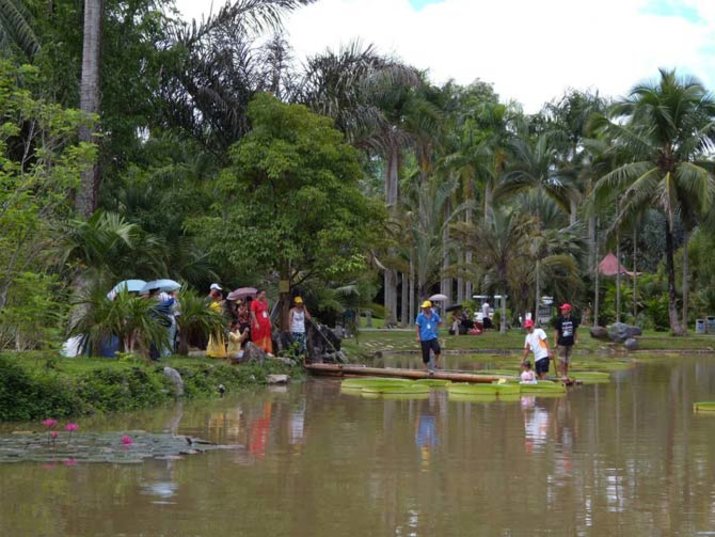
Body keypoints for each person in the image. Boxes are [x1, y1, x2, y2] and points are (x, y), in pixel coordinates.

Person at [553, 303, 579, 379]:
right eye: (562, 309)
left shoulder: (573, 319)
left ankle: (566, 374)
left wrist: (576, 339)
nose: (562, 310)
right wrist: (555, 342)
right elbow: (556, 332)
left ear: (568, 310)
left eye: (564, 309)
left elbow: (575, 331)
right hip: (561, 342)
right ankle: (562, 375)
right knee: (561, 359)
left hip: (570, 342)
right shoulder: (559, 320)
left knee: (568, 359)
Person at [415, 300, 442, 372]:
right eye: (423, 308)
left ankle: (436, 363)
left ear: (429, 308)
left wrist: (436, 328)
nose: (424, 309)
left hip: (433, 336)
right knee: (425, 354)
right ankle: (425, 367)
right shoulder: (420, 316)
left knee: (437, 349)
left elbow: (439, 322)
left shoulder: (434, 315)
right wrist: (418, 336)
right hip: (424, 337)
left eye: (425, 308)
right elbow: (417, 326)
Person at [206, 284, 227, 359]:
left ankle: (218, 353)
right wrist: (219, 305)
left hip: (218, 323)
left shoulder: (218, 304)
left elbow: (220, 314)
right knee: (214, 337)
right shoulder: (214, 304)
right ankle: (213, 352)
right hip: (214, 322)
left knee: (218, 337)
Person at [250, 289, 273, 354]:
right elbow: (253, 313)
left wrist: (269, 321)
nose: (263, 296)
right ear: (258, 295)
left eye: (264, 294)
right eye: (262, 294)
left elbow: (267, 312)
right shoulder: (254, 302)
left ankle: (268, 350)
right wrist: (256, 323)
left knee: (267, 335)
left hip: (266, 323)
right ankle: (259, 351)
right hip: (258, 323)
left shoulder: (265, 302)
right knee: (259, 336)